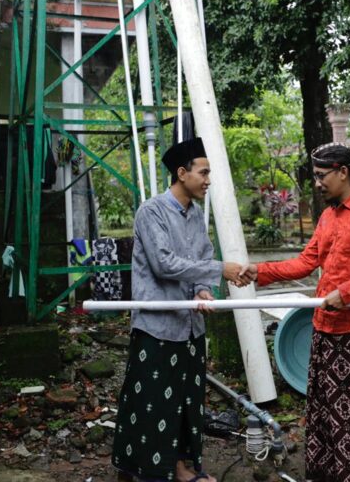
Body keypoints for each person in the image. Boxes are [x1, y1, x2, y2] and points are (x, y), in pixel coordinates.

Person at [240, 142, 350, 482]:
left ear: (343, 172)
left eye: (320, 176)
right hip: (323, 326)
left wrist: (347, 293)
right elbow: (305, 262)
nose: (316, 183)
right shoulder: (328, 216)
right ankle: (326, 473)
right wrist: (261, 271)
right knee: (324, 408)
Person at [113, 137, 244, 482]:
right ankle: (148, 470)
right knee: (153, 402)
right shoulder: (151, 211)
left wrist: (203, 289)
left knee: (188, 402)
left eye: (209, 172)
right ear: (182, 173)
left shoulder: (197, 215)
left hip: (190, 327)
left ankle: (183, 467)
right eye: (203, 172)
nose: (208, 180)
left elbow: (200, 257)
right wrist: (219, 271)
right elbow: (164, 265)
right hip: (157, 326)